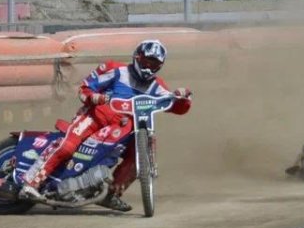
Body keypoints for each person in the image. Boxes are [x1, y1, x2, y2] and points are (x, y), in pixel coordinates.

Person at [17, 40, 192, 211]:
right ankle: (31, 183)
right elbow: (85, 88)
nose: (149, 66)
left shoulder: (157, 86)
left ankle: (110, 194)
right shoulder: (115, 69)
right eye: (147, 61)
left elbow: (174, 106)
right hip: (93, 117)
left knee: (138, 157)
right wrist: (95, 97)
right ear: (137, 57)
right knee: (68, 146)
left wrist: (183, 98)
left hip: (125, 130)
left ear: (160, 66)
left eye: (154, 63)